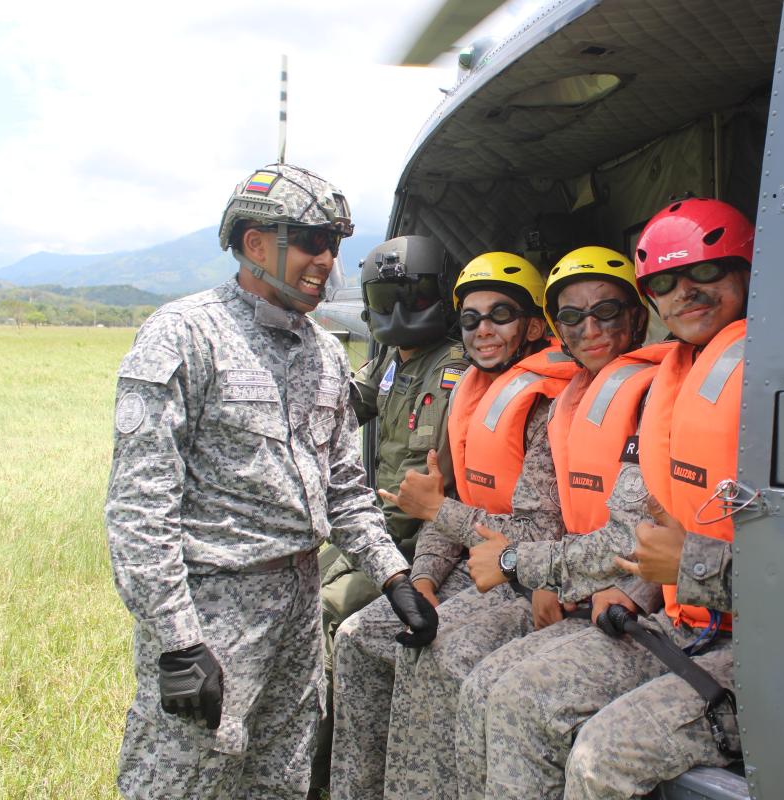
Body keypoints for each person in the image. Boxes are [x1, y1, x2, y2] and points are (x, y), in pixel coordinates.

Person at [104, 163, 436, 800]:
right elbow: (140, 509)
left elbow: (341, 482)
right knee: (184, 779)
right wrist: (177, 642)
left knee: (282, 777)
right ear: (256, 244)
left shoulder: (323, 351)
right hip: (213, 616)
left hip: (298, 609)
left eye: (333, 245)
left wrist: (393, 577)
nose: (326, 260)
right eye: (310, 241)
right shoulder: (184, 335)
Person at [466, 198, 754, 799]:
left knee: (598, 755)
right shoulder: (671, 382)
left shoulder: (777, 378)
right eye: (666, 282)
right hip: (677, 619)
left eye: (706, 272)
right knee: (498, 692)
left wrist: (523, 564)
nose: (686, 293)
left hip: (754, 637)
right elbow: (638, 526)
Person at [384, 246, 667, 800]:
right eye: (574, 316)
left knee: (474, 674)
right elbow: (524, 512)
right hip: (555, 579)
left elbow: (651, 528)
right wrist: (424, 575)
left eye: (606, 311)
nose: (590, 328)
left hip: (612, 598)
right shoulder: (566, 401)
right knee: (401, 646)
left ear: (637, 314)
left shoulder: (646, 395)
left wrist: (540, 576)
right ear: (556, 328)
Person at [328, 251, 572, 800]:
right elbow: (452, 499)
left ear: (534, 326)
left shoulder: (550, 405)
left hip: (529, 579)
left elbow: (536, 535)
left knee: (429, 654)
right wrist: (423, 581)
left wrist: (439, 512)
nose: (483, 329)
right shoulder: (474, 395)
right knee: (358, 638)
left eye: (501, 315)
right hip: (473, 569)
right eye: (471, 319)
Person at [311, 234, 469, 794]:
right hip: (370, 531)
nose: (398, 312)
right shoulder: (390, 363)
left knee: (333, 613)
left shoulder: (456, 368)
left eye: (413, 293)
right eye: (383, 298)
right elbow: (340, 410)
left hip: (419, 544)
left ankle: (320, 773)